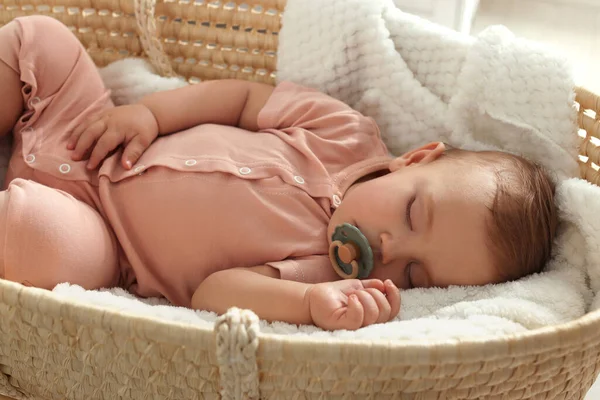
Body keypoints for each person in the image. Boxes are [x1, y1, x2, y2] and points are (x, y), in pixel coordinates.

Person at [0, 16, 557, 331]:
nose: (389, 247)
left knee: (42, 245)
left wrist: (308, 307)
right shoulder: (346, 133)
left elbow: (213, 292)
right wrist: (150, 113)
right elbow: (243, 100)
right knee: (40, 40)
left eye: (413, 275)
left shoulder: (324, 275)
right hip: (95, 129)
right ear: (415, 159)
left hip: (103, 238)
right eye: (413, 212)